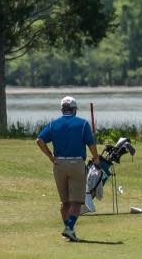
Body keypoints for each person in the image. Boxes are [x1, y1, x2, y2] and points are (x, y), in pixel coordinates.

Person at [36, 96, 100, 242]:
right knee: (76, 201)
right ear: (74, 110)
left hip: (59, 165)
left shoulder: (53, 124)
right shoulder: (83, 124)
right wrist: (95, 157)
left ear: (62, 109)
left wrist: (50, 156)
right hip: (76, 164)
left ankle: (69, 230)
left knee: (64, 202)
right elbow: (91, 144)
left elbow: (39, 140)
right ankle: (69, 228)